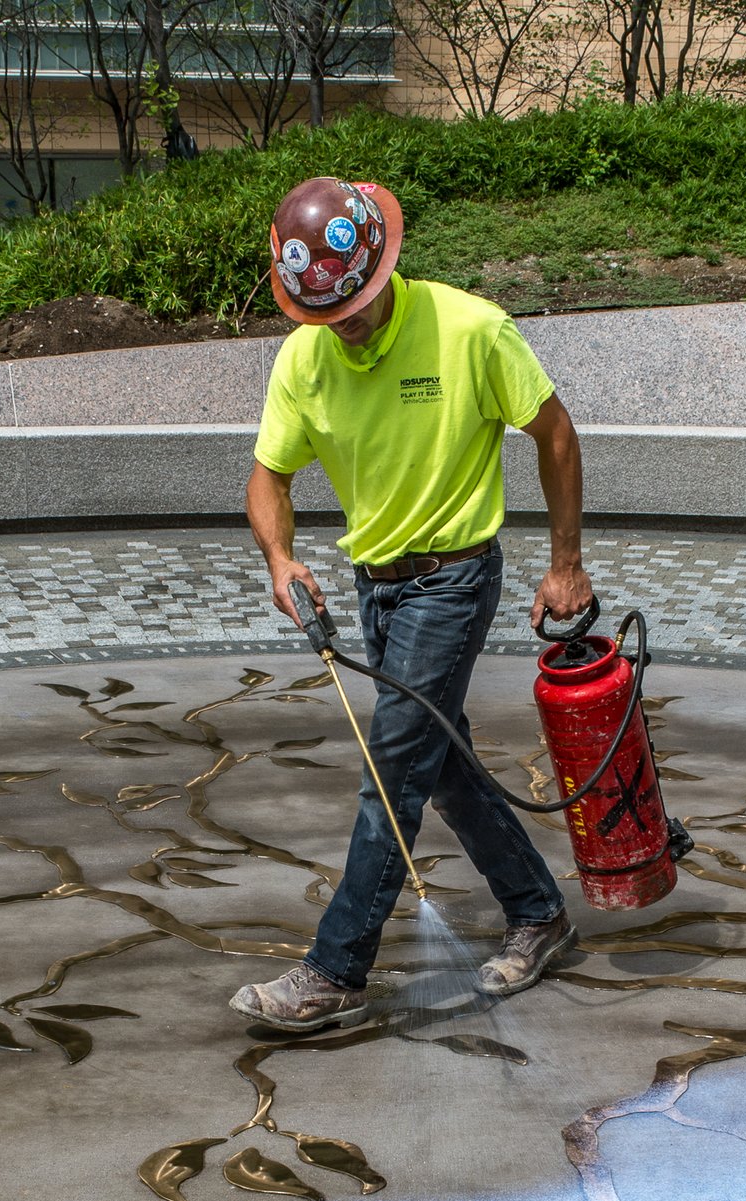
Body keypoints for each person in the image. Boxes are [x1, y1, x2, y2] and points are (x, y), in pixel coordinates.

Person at [230, 175, 594, 1034]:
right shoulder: (304, 358)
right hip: (377, 586)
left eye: (355, 300)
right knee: (442, 763)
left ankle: (337, 969)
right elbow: (267, 477)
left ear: (383, 261)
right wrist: (280, 557)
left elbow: (556, 434)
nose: (344, 319)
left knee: (392, 768)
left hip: (456, 576)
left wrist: (565, 564)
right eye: (326, 311)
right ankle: (539, 914)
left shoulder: (472, 328)